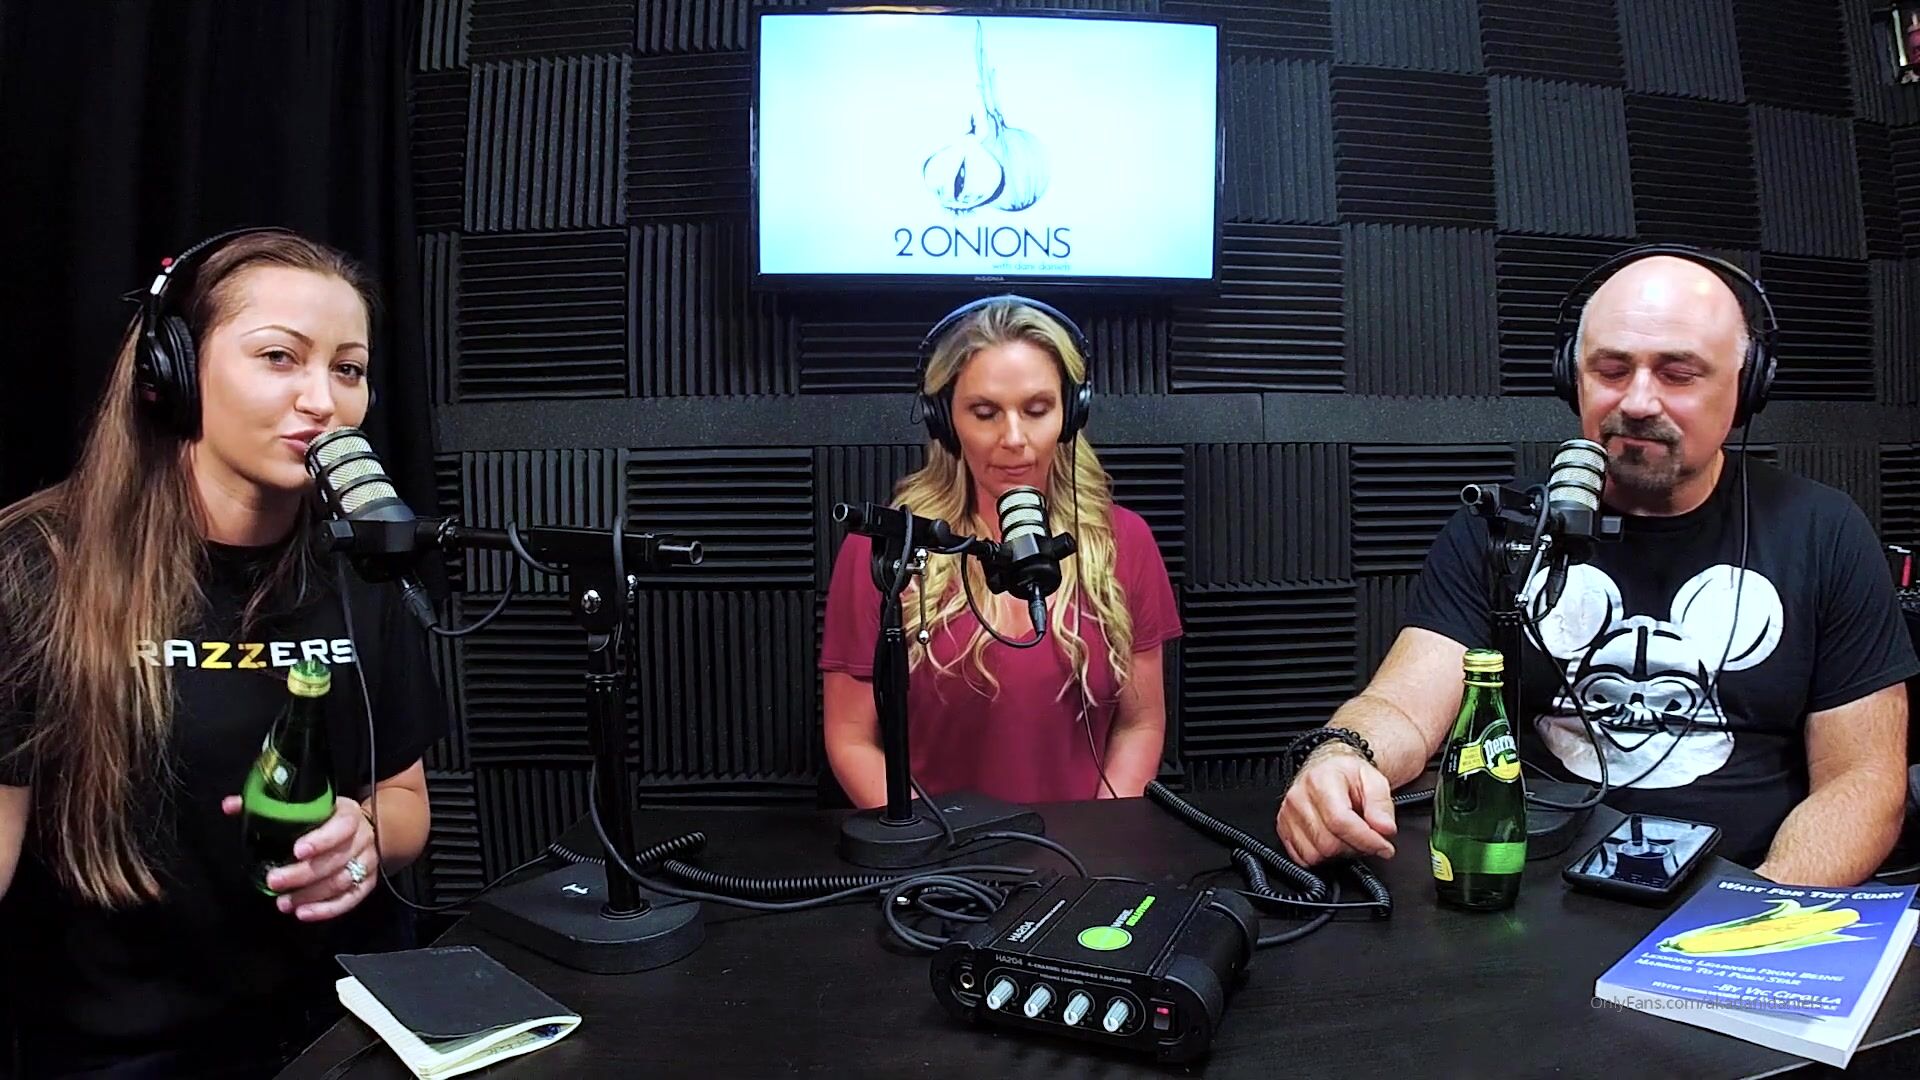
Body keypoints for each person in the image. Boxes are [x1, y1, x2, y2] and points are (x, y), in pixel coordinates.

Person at [1276, 246, 1916, 886]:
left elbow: (1863, 781)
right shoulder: (1502, 529)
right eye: (1611, 369)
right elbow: (1402, 709)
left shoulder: (1824, 532)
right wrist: (1343, 755)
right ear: (1571, 377)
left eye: (1678, 374)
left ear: (1746, 390)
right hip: (1533, 898)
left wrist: (1749, 915)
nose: (1637, 401)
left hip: (1746, 889)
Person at [0, 228, 445, 1077]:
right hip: (123, 1052)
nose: (323, 399)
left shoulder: (362, 564)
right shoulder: (33, 568)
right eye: (280, 357)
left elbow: (402, 801)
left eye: (348, 369)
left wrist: (360, 841)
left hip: (340, 1033)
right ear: (171, 373)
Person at [821, 296, 1180, 806]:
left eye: (1037, 410)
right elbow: (851, 739)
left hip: (1083, 849)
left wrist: (1099, 838)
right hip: (940, 850)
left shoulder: (1125, 541)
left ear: (1071, 413)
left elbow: (1139, 726)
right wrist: (933, 843)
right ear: (944, 419)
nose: (1013, 438)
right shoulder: (886, 550)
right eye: (985, 413)